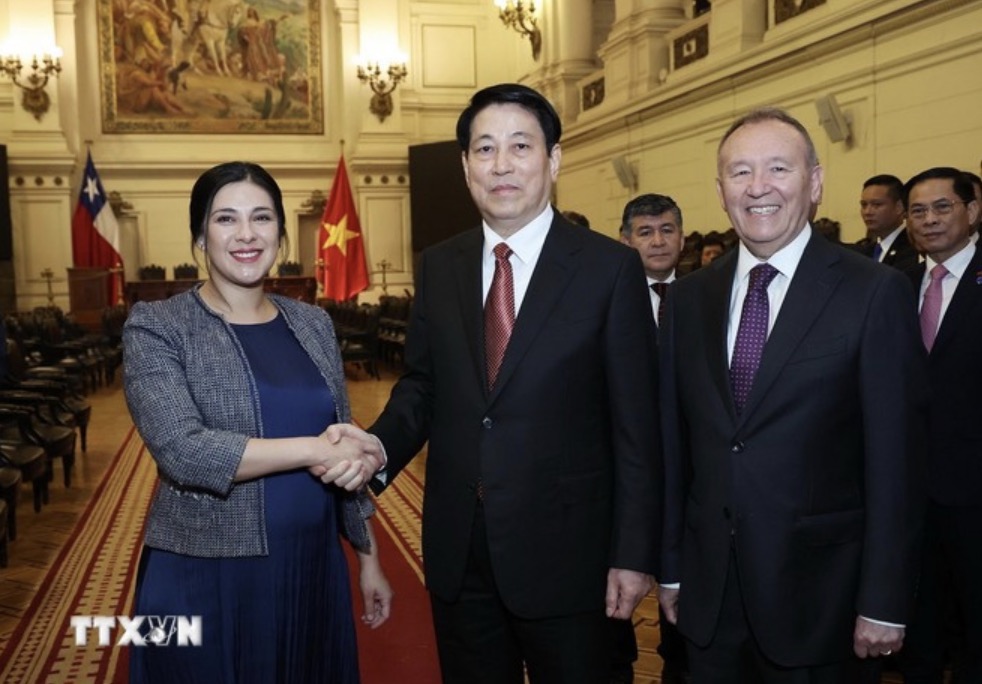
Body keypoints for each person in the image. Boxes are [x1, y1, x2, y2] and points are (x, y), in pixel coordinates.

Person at [340, 83, 662, 683]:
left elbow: (638, 425)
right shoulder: (441, 265)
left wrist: (635, 552)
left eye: (520, 146)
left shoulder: (607, 268)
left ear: (553, 159)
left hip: (572, 555)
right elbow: (423, 387)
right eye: (484, 149)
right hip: (461, 554)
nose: (502, 164)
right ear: (465, 167)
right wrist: (378, 446)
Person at [658, 107, 926, 682]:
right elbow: (675, 450)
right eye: (740, 172)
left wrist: (883, 599)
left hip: (823, 599)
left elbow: (896, 461)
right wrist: (673, 571)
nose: (759, 188)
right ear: (721, 190)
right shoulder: (688, 300)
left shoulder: (874, 293)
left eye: (779, 168)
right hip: (710, 601)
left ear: (816, 182)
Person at [123, 161, 392, 683]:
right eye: (226, 219)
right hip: (203, 570)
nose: (246, 235)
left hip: (311, 567)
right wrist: (315, 450)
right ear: (201, 235)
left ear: (282, 234)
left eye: (262, 218)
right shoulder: (158, 326)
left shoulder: (313, 324)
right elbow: (184, 450)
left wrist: (369, 558)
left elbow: (343, 442)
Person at [899, 167, 982, 684]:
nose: (929, 220)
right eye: (918, 210)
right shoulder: (894, 282)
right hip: (907, 489)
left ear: (973, 211)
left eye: (943, 207)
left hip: (975, 488)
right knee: (916, 617)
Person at [618, 192, 687, 683]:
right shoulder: (607, 298)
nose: (658, 241)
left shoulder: (710, 296)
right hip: (626, 473)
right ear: (626, 241)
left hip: (693, 477)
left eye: (666, 230)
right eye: (645, 232)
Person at [855, 174, 919, 270]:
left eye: (877, 205)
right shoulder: (864, 252)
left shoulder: (914, 248)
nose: (867, 212)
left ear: (899, 207)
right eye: (864, 205)